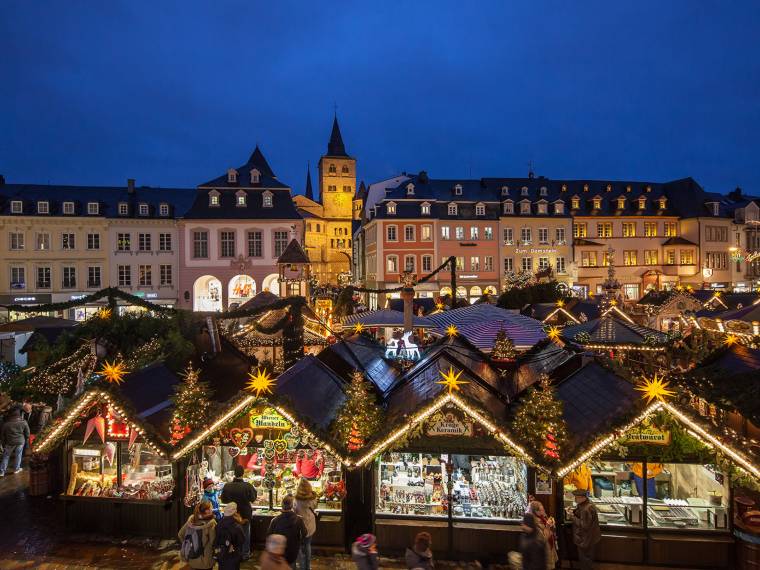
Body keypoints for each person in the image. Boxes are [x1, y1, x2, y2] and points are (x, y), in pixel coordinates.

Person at [221, 464, 256, 560]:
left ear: (234, 473)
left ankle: (232, 553)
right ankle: (245, 554)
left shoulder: (227, 486)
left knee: (231, 534)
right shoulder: (248, 486)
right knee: (245, 535)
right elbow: (253, 499)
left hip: (231, 514)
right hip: (245, 515)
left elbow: (223, 500)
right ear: (243, 473)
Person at [267, 495, 306, 568]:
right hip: (293, 550)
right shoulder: (298, 519)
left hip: (278, 552)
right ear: (293, 506)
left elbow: (269, 535)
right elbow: (304, 533)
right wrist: (298, 541)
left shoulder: (275, 520)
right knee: (291, 565)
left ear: (282, 505)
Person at [178, 499, 217, 570]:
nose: (212, 509)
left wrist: (190, 545)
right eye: (211, 507)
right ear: (206, 511)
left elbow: (180, 534)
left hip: (192, 558)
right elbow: (213, 542)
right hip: (205, 560)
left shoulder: (192, 519)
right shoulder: (211, 523)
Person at [572, 489, 601, 570]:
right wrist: (574, 511)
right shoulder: (586, 504)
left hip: (585, 539)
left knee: (585, 559)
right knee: (587, 557)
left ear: (583, 498)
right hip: (590, 538)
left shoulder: (586, 509)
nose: (575, 499)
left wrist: (572, 517)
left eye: (576, 497)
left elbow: (584, 526)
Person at [294, 478, 318, 570]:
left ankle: (301, 566)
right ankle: (307, 567)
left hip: (300, 525)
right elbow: (315, 506)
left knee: (299, 546)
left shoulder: (296, 498)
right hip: (310, 525)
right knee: (308, 545)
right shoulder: (312, 497)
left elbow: (294, 510)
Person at [215, 502, 246, 570]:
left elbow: (216, 539)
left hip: (221, 554)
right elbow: (242, 540)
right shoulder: (237, 526)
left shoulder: (219, 524)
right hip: (233, 556)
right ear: (236, 512)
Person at [0, 407, 29, 476]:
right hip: (20, 441)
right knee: (18, 455)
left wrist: (3, 444)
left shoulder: (6, 424)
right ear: (19, 415)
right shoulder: (23, 422)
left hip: (10, 442)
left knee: (6, 456)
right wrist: (25, 439)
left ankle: (2, 471)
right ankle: (16, 469)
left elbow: (2, 435)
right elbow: (27, 433)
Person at [529, 500, 558, 569]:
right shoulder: (534, 522)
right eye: (541, 510)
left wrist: (552, 524)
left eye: (543, 509)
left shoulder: (543, 517)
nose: (543, 511)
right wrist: (548, 526)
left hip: (549, 546)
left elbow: (551, 531)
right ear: (535, 511)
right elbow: (543, 539)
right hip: (542, 551)